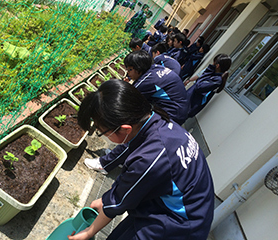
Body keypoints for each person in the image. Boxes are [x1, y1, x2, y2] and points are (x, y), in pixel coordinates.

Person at [68, 79, 215, 240]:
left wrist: (88, 233)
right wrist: (105, 200)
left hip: (179, 226)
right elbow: (131, 185)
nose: (102, 135)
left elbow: (117, 203)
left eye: (102, 131)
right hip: (190, 207)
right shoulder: (159, 121)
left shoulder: (149, 159)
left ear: (125, 129)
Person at [185, 54, 232, 119]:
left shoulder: (217, 80)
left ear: (217, 66)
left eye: (213, 63)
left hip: (189, 106)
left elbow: (198, 86)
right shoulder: (213, 75)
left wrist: (209, 70)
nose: (212, 64)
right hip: (186, 102)